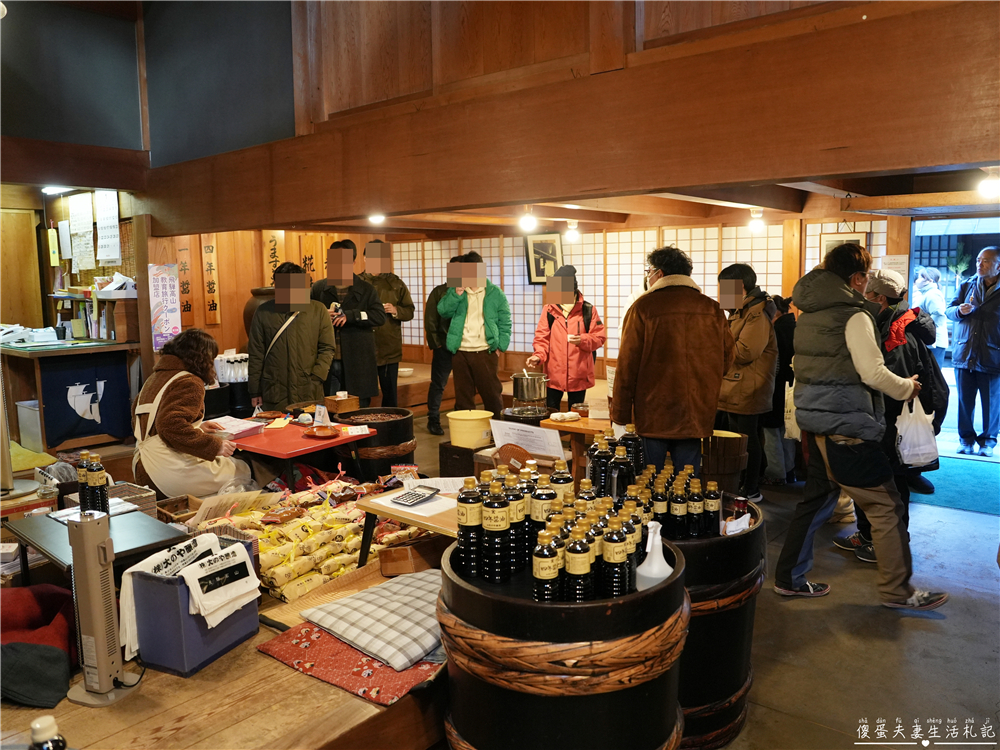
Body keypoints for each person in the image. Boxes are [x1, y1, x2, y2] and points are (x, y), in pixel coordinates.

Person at [774, 243, 948, 610]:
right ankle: (898, 591)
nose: (866, 285)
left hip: (818, 424)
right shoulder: (853, 316)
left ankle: (789, 579)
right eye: (865, 277)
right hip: (848, 427)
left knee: (816, 503)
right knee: (886, 507)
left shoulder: (808, 314)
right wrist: (908, 386)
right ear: (856, 278)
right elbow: (872, 373)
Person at [834, 269, 949, 562]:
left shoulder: (900, 334)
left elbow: (894, 382)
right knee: (872, 481)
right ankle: (868, 534)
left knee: (890, 484)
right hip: (878, 419)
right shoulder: (887, 324)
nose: (864, 300)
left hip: (891, 422)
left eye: (868, 295)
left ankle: (892, 543)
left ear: (881, 299)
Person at [612, 246, 735, 473]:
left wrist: (619, 414)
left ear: (659, 273)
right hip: (696, 411)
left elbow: (627, 365)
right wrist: (703, 383)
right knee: (689, 480)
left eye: (648, 271)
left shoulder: (643, 307)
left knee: (650, 479)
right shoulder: (712, 308)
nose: (647, 276)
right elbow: (728, 358)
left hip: (653, 412)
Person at [132, 328, 251, 498]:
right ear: (202, 358)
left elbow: (150, 426)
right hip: (168, 472)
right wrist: (214, 445)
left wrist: (198, 427)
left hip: (142, 467)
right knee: (245, 469)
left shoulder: (153, 380)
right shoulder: (188, 381)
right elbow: (169, 425)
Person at [716, 263, 778, 503]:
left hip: (748, 386)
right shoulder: (739, 310)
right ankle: (744, 483)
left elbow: (744, 352)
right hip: (737, 385)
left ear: (739, 286)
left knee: (746, 439)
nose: (721, 294)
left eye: (724, 288)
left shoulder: (755, 313)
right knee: (742, 437)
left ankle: (751, 488)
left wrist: (718, 341)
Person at [248, 262, 335, 411]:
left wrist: (317, 376)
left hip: (309, 390)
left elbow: (327, 348)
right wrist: (254, 390)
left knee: (309, 430)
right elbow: (256, 353)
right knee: (277, 432)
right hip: (275, 392)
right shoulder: (263, 312)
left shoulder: (317, 310)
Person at [310, 240, 386, 408]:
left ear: (352, 262)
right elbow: (304, 318)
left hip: (357, 360)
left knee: (357, 410)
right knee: (329, 408)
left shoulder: (366, 289)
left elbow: (379, 316)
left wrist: (352, 316)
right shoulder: (318, 288)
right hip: (327, 360)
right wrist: (321, 316)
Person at [437, 251, 511, 417]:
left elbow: (505, 322)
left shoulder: (495, 293)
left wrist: (501, 346)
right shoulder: (456, 290)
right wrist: (456, 294)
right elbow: (443, 311)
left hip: (485, 350)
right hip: (461, 350)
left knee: (491, 394)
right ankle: (468, 435)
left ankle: (496, 432)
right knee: (463, 397)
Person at [526, 265, 607, 410]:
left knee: (576, 414)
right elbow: (541, 338)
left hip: (579, 373)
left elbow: (599, 337)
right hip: (553, 372)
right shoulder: (549, 309)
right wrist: (538, 356)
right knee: (551, 412)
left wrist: (583, 340)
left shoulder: (588, 310)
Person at [946, 246, 1000, 457]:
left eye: (985, 261)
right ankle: (966, 439)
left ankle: (988, 442)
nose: (979, 264)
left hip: (993, 354)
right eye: (978, 260)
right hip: (964, 352)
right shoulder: (967, 285)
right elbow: (949, 310)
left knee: (992, 402)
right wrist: (959, 310)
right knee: (964, 401)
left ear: (998, 265)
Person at [361, 239, 415, 408]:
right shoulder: (356, 282)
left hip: (389, 347)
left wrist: (395, 310)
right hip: (363, 346)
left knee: (390, 393)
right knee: (362, 394)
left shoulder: (395, 283)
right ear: (364, 258)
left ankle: (391, 430)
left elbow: (410, 311)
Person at [760, 295, 797, 486]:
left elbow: (773, 365)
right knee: (788, 431)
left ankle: (776, 473)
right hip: (792, 389)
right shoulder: (795, 327)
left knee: (771, 432)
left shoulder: (776, 331)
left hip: (776, 389)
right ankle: (789, 471)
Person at [424, 255, 462, 435]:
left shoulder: (469, 292)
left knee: (463, 385)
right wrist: (437, 344)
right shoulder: (439, 292)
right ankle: (433, 419)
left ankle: (460, 417)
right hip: (443, 346)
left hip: (464, 346)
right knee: (438, 384)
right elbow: (430, 319)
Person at [914, 267, 949, 368]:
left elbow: (939, 315)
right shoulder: (925, 293)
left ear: (929, 280)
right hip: (930, 341)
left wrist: (926, 330)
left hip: (934, 342)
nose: (917, 280)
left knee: (932, 376)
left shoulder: (933, 294)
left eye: (920, 277)